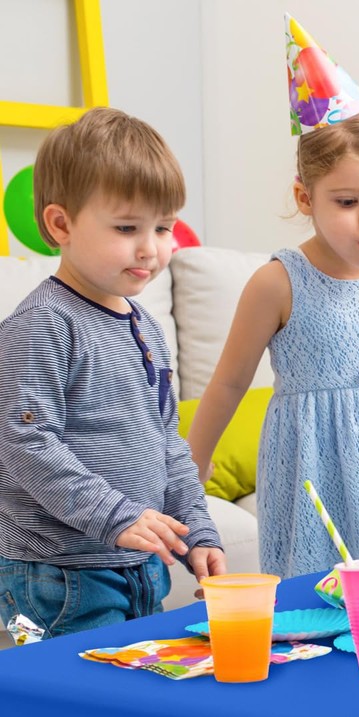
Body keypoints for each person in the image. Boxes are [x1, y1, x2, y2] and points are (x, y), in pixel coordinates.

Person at [0, 107, 226, 639]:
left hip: (139, 563)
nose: (151, 247)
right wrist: (116, 516)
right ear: (61, 225)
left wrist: (198, 529)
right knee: (74, 710)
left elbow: (167, 441)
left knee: (138, 699)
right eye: (127, 228)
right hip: (56, 573)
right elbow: (24, 442)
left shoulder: (144, 324)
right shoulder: (43, 324)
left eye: (163, 226)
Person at [187, 107, 359, 577]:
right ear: (305, 197)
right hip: (317, 457)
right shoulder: (277, 283)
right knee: (318, 586)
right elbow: (228, 382)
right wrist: (191, 464)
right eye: (346, 202)